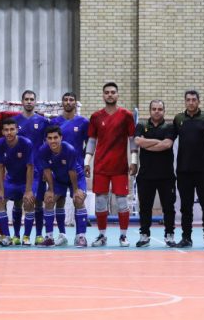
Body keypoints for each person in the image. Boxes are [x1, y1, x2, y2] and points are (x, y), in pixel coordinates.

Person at [84, 81, 137, 247]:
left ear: (117, 95)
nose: (110, 95)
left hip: (120, 167)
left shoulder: (126, 115)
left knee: (122, 203)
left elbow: (132, 140)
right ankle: (102, 235)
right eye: (107, 92)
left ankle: (123, 236)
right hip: (100, 167)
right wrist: (87, 162)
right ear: (103, 95)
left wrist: (134, 161)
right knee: (100, 202)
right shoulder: (95, 116)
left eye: (113, 92)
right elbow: (91, 141)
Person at [172, 90, 204, 248]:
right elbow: (168, 139)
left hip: (203, 171)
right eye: (188, 100)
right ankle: (186, 238)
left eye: (194, 100)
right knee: (186, 207)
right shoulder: (178, 119)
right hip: (184, 171)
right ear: (185, 102)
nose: (191, 102)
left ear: (198, 101)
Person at [133, 100, 176, 248]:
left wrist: (147, 144)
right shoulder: (141, 125)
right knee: (145, 207)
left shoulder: (170, 127)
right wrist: (158, 142)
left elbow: (167, 144)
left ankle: (169, 235)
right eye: (154, 109)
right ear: (150, 110)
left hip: (166, 176)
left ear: (164, 111)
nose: (157, 111)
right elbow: (138, 141)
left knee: (168, 207)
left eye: (160, 109)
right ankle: (144, 235)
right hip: (146, 175)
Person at [50, 91, 90, 246]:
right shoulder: (54, 122)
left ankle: (80, 235)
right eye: (65, 100)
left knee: (79, 199)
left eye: (71, 99)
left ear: (75, 102)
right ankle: (62, 235)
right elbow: (48, 144)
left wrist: (85, 161)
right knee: (56, 200)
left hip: (77, 169)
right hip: (58, 170)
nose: (68, 102)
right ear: (62, 102)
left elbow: (90, 144)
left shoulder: (83, 122)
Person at [38, 126, 85, 247]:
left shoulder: (69, 150)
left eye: (55, 137)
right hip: (58, 178)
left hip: (76, 177)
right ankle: (50, 237)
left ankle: (80, 236)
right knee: (49, 200)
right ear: (46, 139)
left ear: (61, 138)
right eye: (49, 138)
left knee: (78, 199)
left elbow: (72, 172)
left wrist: (76, 190)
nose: (53, 141)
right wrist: (50, 190)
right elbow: (47, 171)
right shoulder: (43, 150)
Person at [14, 90, 49, 245]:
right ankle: (16, 235)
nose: (29, 101)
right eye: (26, 99)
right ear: (22, 101)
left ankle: (39, 235)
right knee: (18, 202)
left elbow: (48, 145)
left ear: (35, 102)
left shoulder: (43, 121)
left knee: (38, 202)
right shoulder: (15, 121)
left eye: (31, 99)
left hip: (38, 169)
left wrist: (46, 168)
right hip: (18, 168)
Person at [0, 118, 35, 247]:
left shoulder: (26, 143)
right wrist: (1, 189)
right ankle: (7, 237)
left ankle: (26, 237)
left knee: (28, 201)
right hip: (11, 180)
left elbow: (30, 167)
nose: (9, 132)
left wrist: (28, 191)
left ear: (17, 130)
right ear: (2, 132)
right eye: (6, 130)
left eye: (12, 129)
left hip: (27, 180)